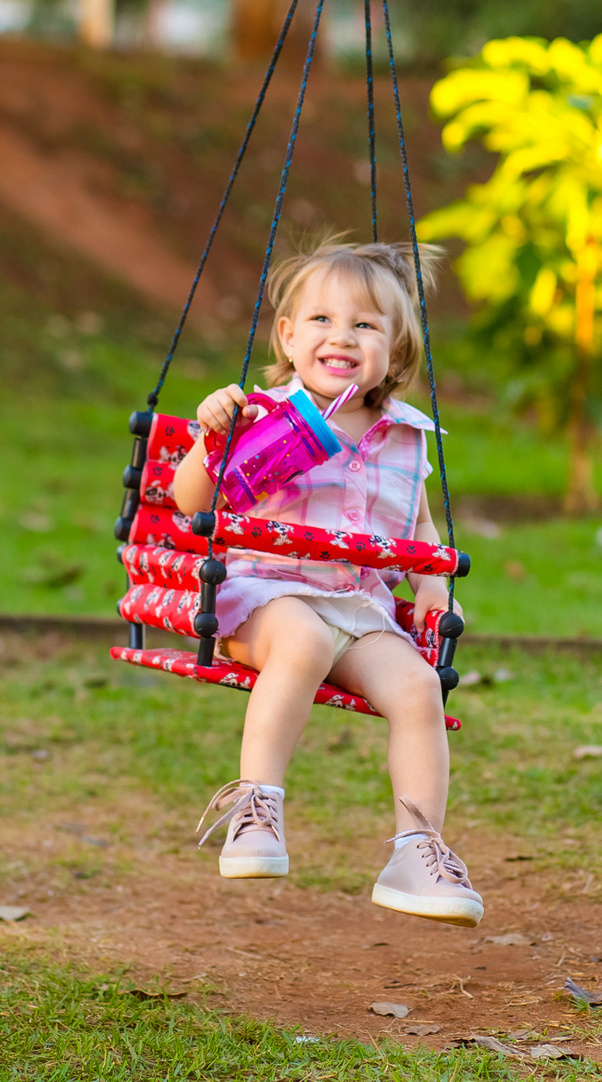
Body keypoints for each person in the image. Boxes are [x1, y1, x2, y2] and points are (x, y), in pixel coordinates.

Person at [172, 237, 483, 927]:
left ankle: (417, 851)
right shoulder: (262, 415)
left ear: (395, 353)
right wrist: (211, 437)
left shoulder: (407, 435)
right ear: (288, 335)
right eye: (321, 319)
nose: (341, 337)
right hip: (265, 598)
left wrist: (433, 586)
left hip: (359, 608)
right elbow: (191, 501)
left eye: (365, 325)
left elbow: (420, 527)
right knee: (305, 639)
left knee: (418, 687)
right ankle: (256, 807)